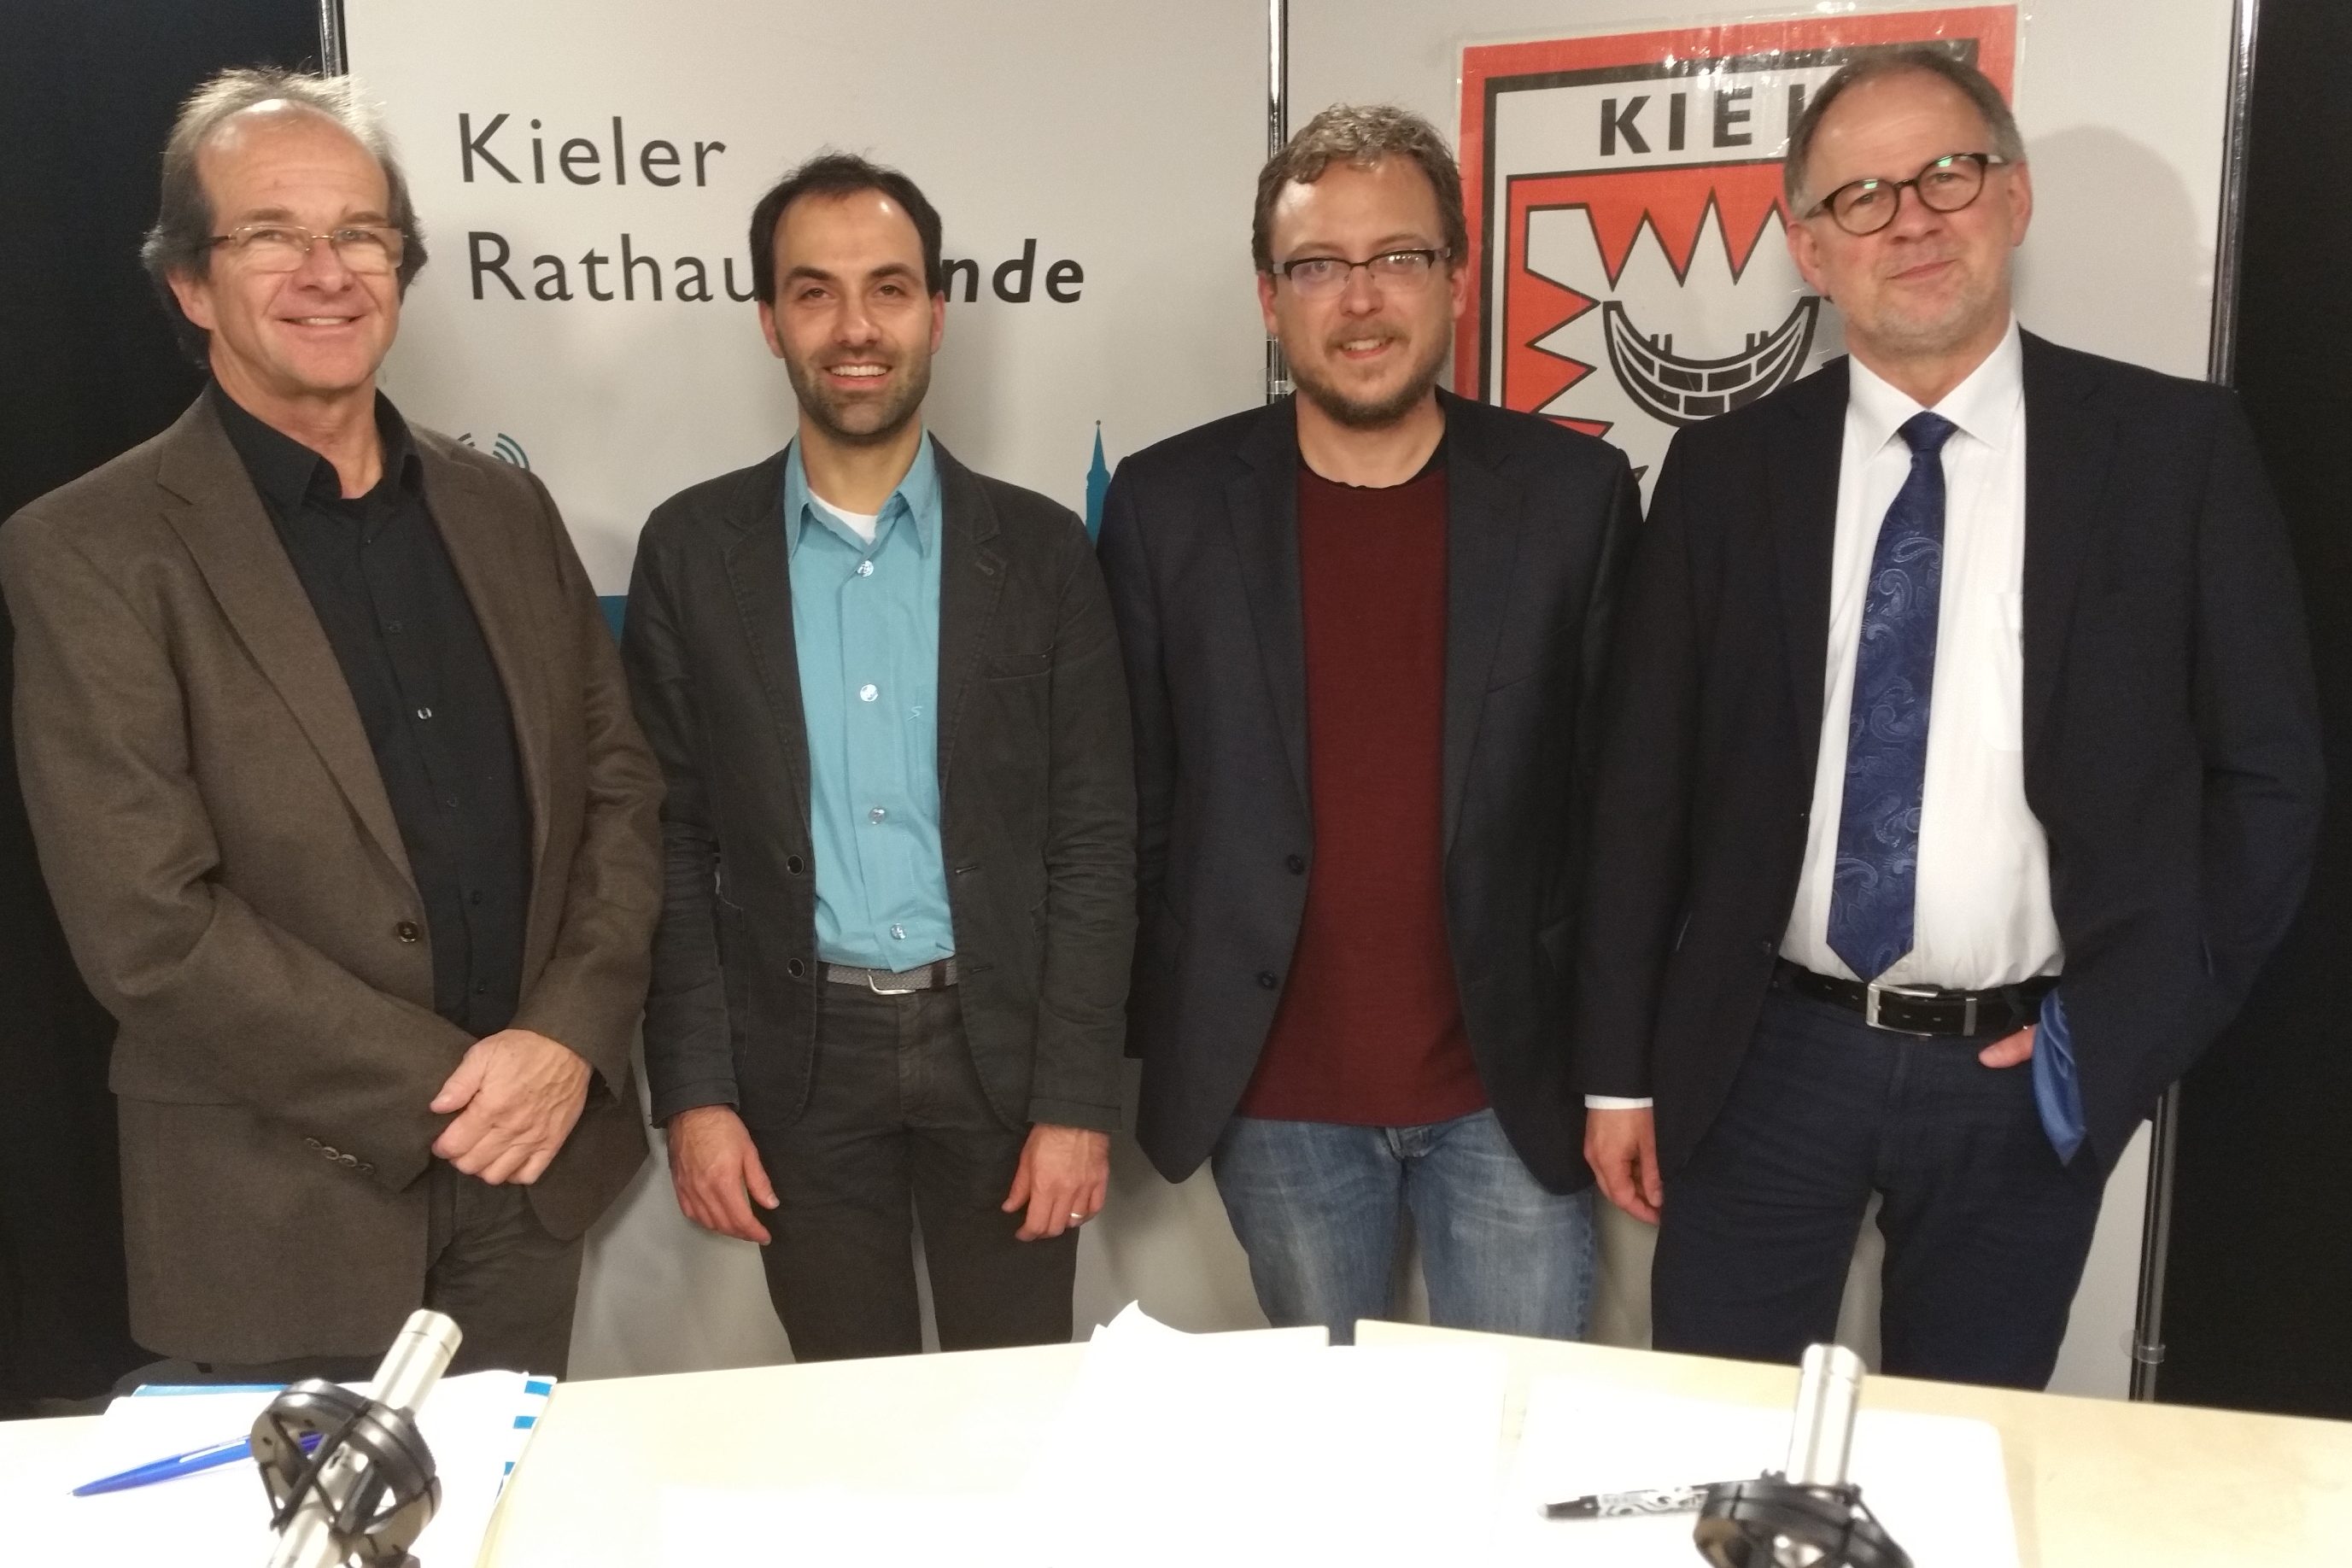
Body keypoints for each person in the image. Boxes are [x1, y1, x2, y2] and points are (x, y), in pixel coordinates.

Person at [1576, 48, 2323, 1387]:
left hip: (2022, 1070)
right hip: (1760, 1061)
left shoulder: (2175, 452)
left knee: (1960, 1447)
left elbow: (2267, 779)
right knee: (1712, 1427)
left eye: (1946, 175)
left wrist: (2126, 1031)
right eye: (1860, 197)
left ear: (2012, 197)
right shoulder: (1725, 470)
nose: (1910, 219)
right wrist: (1617, 1071)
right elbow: (1643, 785)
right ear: (1810, 248)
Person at [0, 69, 662, 1378]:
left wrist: (562, 1042)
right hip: (278, 1210)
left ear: (400, 268)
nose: (327, 272)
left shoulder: (505, 511)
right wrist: (451, 1091)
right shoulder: (90, 549)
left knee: (513, 1493)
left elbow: (620, 794)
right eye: (271, 234)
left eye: (360, 233)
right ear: (190, 284)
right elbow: (148, 925)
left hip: (532, 1180)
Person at [1097, 104, 1638, 1344]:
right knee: (1329, 1434)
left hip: (1509, 1085)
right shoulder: (1167, 506)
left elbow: (1616, 808)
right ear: (1268, 299)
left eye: (1396, 256)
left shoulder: (1574, 498)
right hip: (1277, 1097)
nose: (1359, 300)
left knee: (1510, 1426)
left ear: (1457, 277)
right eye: (1316, 267)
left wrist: (1619, 1062)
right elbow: (1136, 805)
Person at [622, 153, 1134, 1361]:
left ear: (938, 311)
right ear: (769, 320)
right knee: (844, 1412)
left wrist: (1076, 1100)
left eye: (889, 289)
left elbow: (1093, 840)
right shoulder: (692, 551)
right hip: (797, 1059)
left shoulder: (1042, 552)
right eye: (815, 292)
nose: (855, 328)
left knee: (1014, 1410)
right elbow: (669, 842)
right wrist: (695, 1095)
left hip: (1001, 1053)